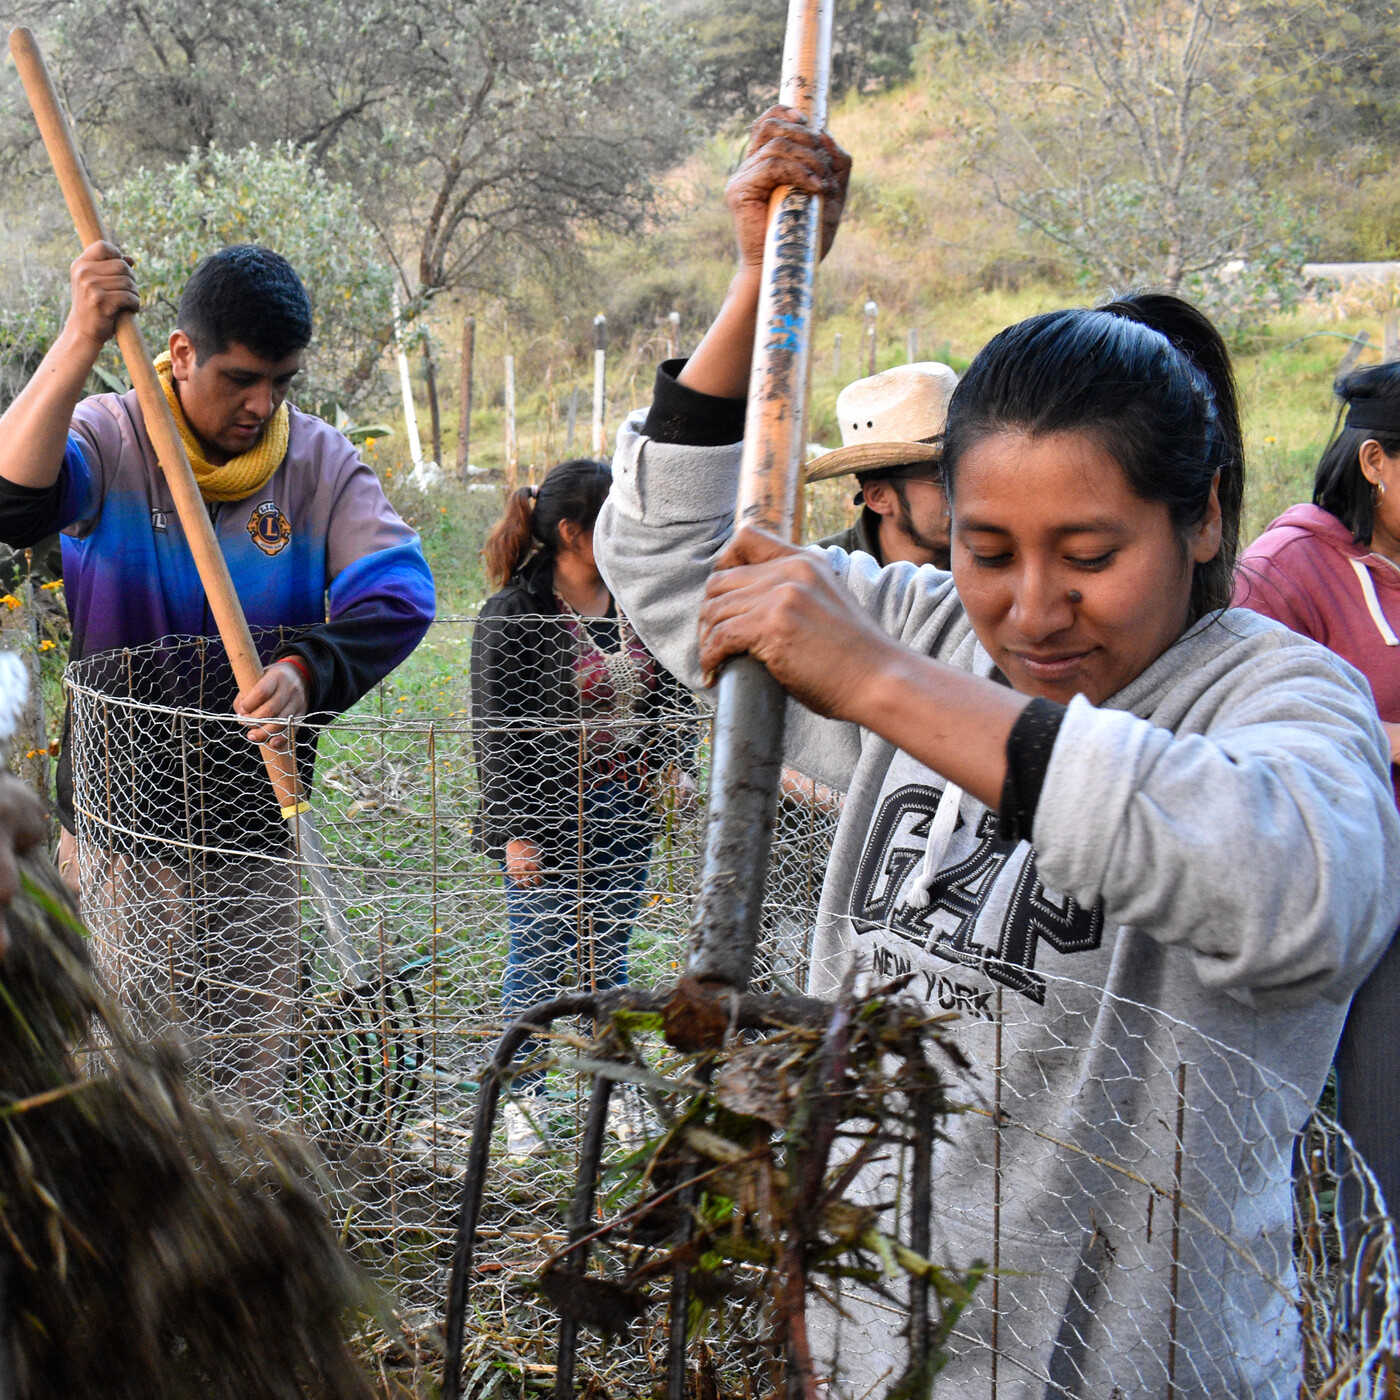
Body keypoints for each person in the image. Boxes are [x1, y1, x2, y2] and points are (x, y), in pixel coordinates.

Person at [594, 107, 1400, 1398]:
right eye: (987, 551)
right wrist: (759, 280)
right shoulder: (925, 631)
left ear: (1200, 519)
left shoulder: (1277, 702)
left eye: (1090, 557)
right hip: (873, 1337)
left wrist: (879, 681)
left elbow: (1296, 890)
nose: (1031, 610)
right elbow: (679, 568)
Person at [0, 242, 435, 1114]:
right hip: (122, 824)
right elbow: (12, 501)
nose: (261, 403)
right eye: (240, 378)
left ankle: (244, 1215)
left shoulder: (318, 465)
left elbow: (400, 592)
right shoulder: (110, 437)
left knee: (245, 1071)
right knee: (126, 1066)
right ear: (183, 353)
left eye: (281, 380)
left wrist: (309, 672)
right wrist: (81, 334)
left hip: (255, 825)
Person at [470, 459, 695, 1158]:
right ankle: (525, 1100)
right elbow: (493, 732)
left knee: (609, 958)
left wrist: (675, 763)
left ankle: (615, 1088)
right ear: (573, 531)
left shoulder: (636, 600)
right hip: (546, 814)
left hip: (625, 808)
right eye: (614, 521)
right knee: (537, 955)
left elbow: (674, 693)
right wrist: (515, 832)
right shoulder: (516, 615)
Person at [1234, 361, 1400, 1230]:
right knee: (1372, 1136)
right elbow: (1232, 724)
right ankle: (1364, 1324)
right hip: (1337, 889)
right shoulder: (1287, 568)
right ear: (1376, 461)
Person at [808, 361, 956, 568]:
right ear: (879, 497)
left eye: (969, 474)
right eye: (942, 481)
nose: (966, 493)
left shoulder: (996, 559)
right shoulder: (821, 577)